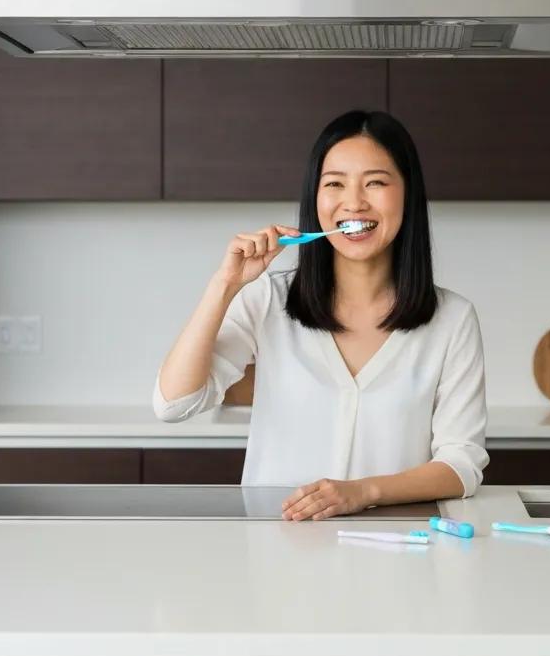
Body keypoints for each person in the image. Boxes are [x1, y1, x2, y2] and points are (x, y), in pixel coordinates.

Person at [153, 109, 488, 520]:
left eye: (375, 182)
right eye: (335, 184)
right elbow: (174, 405)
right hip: (276, 546)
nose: (354, 201)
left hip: (396, 548)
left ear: (408, 194)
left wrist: (364, 492)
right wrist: (224, 284)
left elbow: (461, 465)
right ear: (315, 199)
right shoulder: (267, 300)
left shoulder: (453, 319)